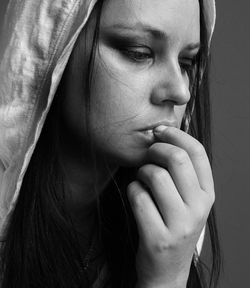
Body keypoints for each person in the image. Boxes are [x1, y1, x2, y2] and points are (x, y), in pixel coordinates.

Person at [0, 0, 221, 287]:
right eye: (138, 52)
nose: (181, 92)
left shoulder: (168, 233)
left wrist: (167, 277)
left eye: (186, 62)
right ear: (52, 49)